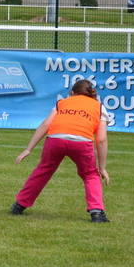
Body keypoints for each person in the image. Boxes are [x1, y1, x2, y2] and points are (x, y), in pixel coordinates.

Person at [12, 79, 111, 223]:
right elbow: (101, 139)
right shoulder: (99, 107)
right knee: (90, 174)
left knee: (43, 170)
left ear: (72, 93)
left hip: (55, 139)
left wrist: (29, 149)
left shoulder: (62, 103)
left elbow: (45, 125)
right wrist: (102, 168)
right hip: (82, 142)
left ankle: (19, 205)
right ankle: (97, 213)